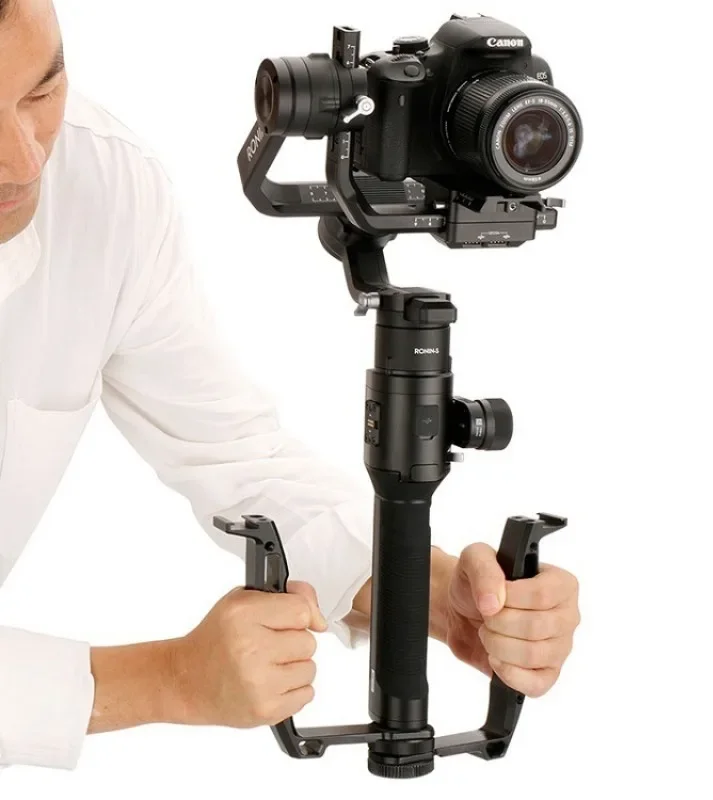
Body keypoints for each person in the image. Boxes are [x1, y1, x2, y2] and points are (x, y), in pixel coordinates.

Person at [0, 0, 581, 773]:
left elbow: (234, 454)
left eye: (42, 91)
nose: (26, 160)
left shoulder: (101, 182)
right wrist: (163, 680)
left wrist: (431, 595)